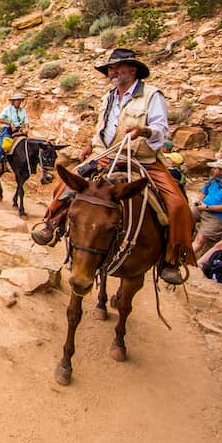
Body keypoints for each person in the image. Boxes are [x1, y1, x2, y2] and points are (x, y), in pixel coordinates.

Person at [33, 47, 195, 284]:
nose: (113, 71)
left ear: (133, 70)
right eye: (110, 68)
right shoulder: (109, 96)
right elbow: (105, 127)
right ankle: (52, 224)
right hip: (105, 154)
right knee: (67, 184)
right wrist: (91, 145)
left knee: (177, 204)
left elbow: (161, 129)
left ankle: (171, 259)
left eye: (118, 67)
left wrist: (144, 131)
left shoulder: (152, 95)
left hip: (142, 158)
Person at [0, 93, 30, 172]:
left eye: (20, 100)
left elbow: (26, 121)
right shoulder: (7, 109)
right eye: (17, 100)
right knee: (4, 145)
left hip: (19, 130)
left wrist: (26, 128)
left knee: (26, 144)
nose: (19, 102)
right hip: (8, 129)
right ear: (13, 101)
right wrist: (10, 123)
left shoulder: (23, 111)